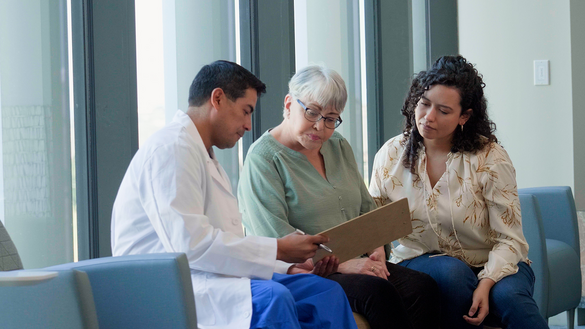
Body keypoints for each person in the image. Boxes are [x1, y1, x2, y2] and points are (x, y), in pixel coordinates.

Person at [111, 60, 358, 329]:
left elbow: (227, 243)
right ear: (217, 99)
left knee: (323, 292)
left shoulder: (204, 157)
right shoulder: (171, 149)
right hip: (168, 286)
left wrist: (284, 266)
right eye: (245, 111)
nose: (249, 125)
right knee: (274, 298)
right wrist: (278, 249)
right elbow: (190, 247)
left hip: (213, 274)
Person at [238, 65, 440, 329]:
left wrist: (377, 249)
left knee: (422, 287)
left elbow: (365, 209)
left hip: (358, 260)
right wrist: (344, 264)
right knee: (377, 294)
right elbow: (274, 238)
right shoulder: (263, 159)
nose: (320, 127)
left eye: (331, 118)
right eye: (311, 112)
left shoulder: (338, 146)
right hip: (311, 272)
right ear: (289, 104)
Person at [369, 55, 548, 329]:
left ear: (464, 116)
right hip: (421, 260)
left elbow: (510, 240)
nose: (428, 117)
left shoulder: (490, 158)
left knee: (510, 296)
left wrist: (486, 283)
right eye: (424, 103)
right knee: (451, 272)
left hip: (494, 260)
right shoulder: (391, 155)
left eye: (443, 110)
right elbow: (374, 221)